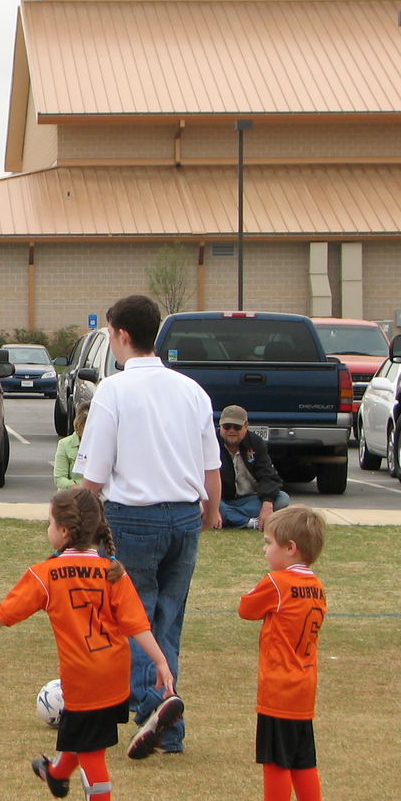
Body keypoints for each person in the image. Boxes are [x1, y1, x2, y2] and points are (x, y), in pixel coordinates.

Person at [0, 487, 176, 801]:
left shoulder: (47, 573)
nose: (48, 528)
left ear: (64, 531)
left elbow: (9, 610)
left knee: (92, 755)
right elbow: (136, 623)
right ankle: (57, 774)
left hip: (84, 678)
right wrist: (159, 660)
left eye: (49, 522)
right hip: (114, 672)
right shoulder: (112, 571)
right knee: (85, 738)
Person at [74, 294, 221, 757]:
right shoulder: (191, 390)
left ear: (121, 335)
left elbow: (93, 476)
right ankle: (168, 725)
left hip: (132, 516)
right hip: (184, 514)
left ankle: (152, 707)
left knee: (133, 620)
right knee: (168, 622)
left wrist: (79, 524)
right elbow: (211, 467)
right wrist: (212, 511)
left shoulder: (114, 391)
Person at [237, 505, 330, 801]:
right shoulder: (317, 586)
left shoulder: (278, 582)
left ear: (290, 548)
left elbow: (246, 609)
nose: (265, 549)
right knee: (303, 756)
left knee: (275, 756)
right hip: (305, 686)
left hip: (278, 686)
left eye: (269, 543)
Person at [216, 405, 291, 530]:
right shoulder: (212, 443)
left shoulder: (255, 443)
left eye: (237, 427)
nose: (231, 430)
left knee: (282, 499)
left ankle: (230, 518)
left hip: (248, 499)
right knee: (210, 505)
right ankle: (249, 523)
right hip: (220, 499)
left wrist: (267, 505)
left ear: (246, 426)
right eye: (227, 426)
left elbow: (268, 475)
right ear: (220, 426)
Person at [53, 400, 90, 490]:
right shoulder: (64, 444)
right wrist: (77, 489)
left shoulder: (103, 445)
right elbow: (59, 478)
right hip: (71, 496)